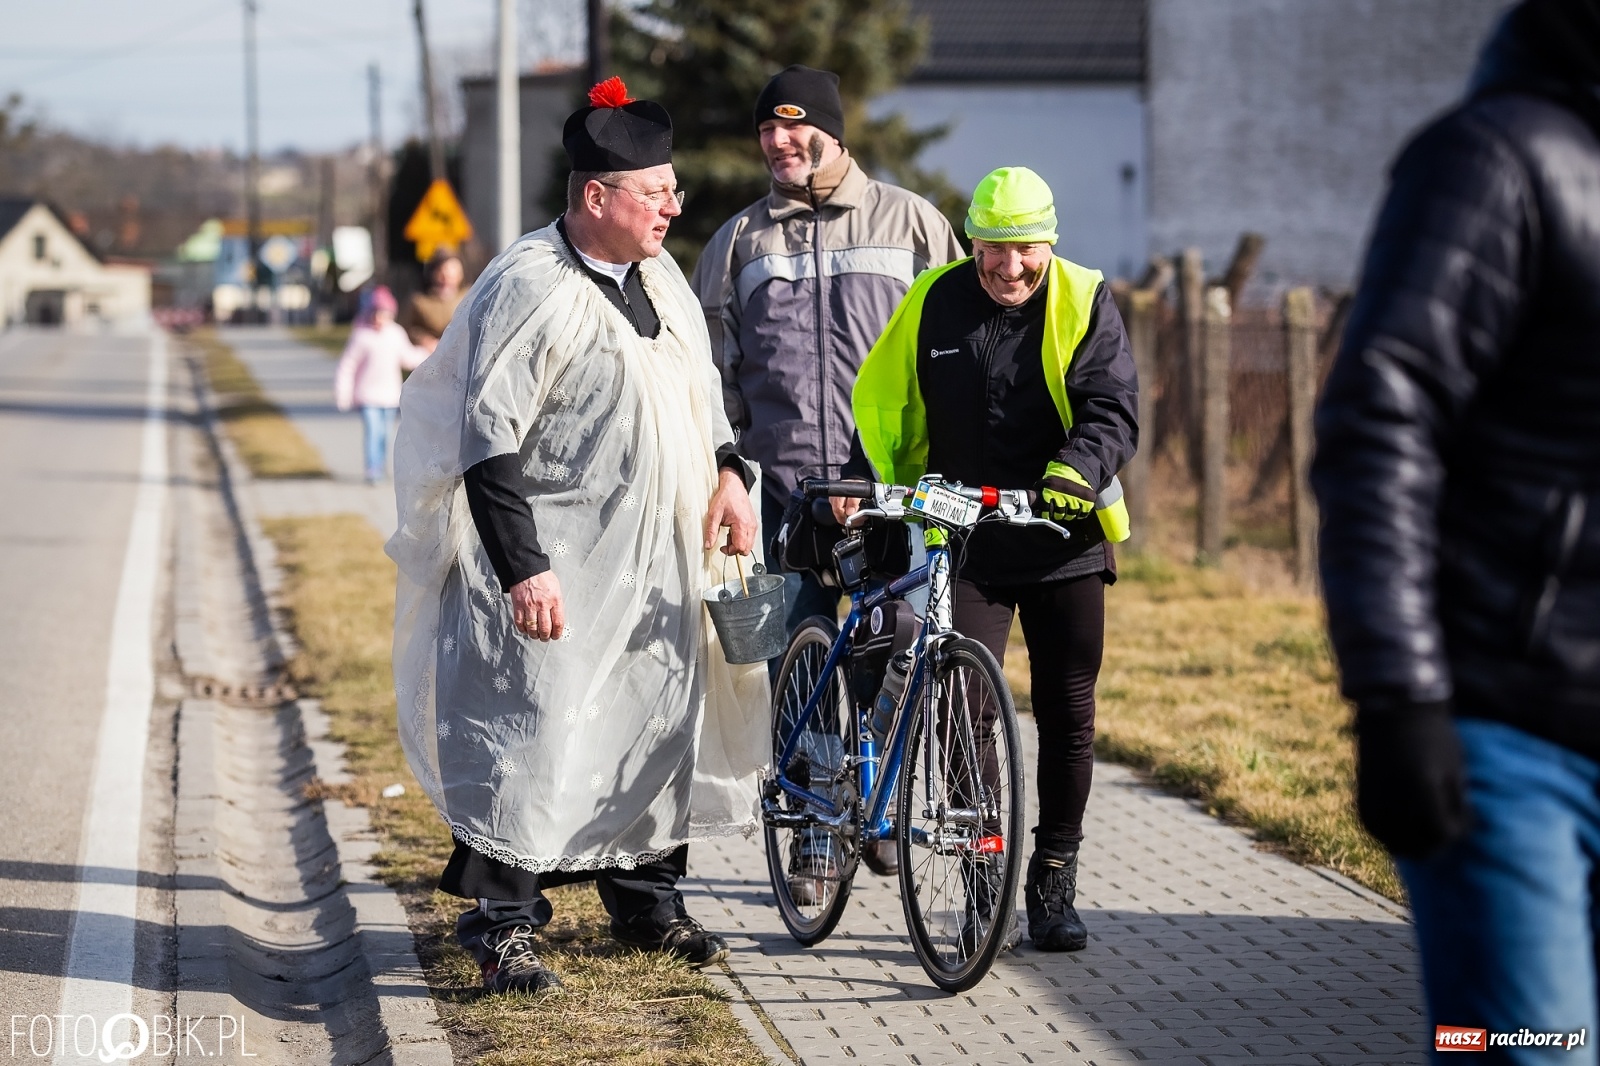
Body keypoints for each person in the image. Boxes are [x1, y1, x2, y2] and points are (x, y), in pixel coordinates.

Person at [386, 76, 768, 996]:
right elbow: (488, 438)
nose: (673, 206)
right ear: (597, 196)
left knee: (657, 721)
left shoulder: (663, 279)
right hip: (554, 561)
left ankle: (647, 902)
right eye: (656, 192)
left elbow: (704, 397)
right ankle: (504, 924)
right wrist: (525, 570)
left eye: (674, 189)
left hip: (660, 562)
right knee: (529, 734)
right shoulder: (530, 284)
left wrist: (730, 473)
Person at [1311, 1, 1600, 1053]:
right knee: (1535, 1048)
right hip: (1511, 732)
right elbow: (1379, 423)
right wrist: (1397, 695)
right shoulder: (1495, 160)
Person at [841, 166, 1137, 952]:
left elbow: (1112, 404)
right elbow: (885, 401)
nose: (1010, 267)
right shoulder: (933, 298)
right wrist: (865, 479)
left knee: (1069, 714)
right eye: (994, 250)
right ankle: (983, 879)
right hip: (965, 541)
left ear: (1049, 243)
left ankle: (1054, 878)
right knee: (963, 712)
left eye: (1026, 249)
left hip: (1062, 536)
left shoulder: (1083, 296)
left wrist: (1076, 468)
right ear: (972, 242)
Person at [690, 63, 963, 881]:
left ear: (833, 132)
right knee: (785, 659)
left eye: (794, 124)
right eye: (766, 129)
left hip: (889, 494)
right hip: (777, 495)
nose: (778, 141)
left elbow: (958, 354)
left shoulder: (912, 224)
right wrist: (728, 468)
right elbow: (707, 377)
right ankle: (813, 818)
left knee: (893, 644)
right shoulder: (738, 243)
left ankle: (876, 796)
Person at [333, 285, 425, 484]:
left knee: (385, 433)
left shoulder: (395, 334)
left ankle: (382, 466)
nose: (378, 318)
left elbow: (407, 356)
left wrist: (428, 355)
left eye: (383, 313)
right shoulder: (361, 336)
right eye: (374, 312)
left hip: (390, 395)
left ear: (391, 314)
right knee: (373, 432)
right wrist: (343, 393)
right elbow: (347, 366)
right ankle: (372, 469)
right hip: (367, 396)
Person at [399, 249, 466, 354]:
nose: (446, 275)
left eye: (452, 269)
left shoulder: (468, 297)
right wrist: (423, 339)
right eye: (441, 270)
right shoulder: (419, 301)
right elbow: (405, 328)